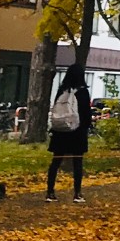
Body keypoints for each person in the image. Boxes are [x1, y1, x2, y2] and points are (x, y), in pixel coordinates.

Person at [45, 63, 92, 203]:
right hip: (77, 132)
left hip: (60, 131)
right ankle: (77, 193)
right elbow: (85, 114)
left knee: (56, 162)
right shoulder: (82, 92)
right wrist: (86, 126)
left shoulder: (62, 91)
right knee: (77, 162)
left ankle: (50, 192)